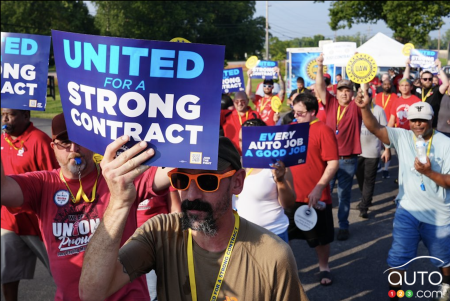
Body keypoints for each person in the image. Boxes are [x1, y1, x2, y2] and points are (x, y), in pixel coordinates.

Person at [79, 136, 307, 301]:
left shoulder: (272, 255)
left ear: (237, 182)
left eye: (208, 181)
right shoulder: (161, 233)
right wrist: (118, 203)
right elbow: (91, 292)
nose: (192, 195)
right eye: (181, 180)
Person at [1, 113, 171, 301]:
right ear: (53, 148)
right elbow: (3, 190)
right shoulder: (42, 184)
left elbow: (168, 173)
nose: (74, 148)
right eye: (64, 142)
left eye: (80, 139)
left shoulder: (118, 177)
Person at [355, 89, 450, 301]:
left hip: (438, 215)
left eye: (422, 120)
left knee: (444, 259)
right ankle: (395, 296)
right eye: (413, 120)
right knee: (398, 259)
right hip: (407, 211)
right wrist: (364, 108)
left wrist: (429, 173)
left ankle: (446, 286)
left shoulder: (445, 144)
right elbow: (374, 127)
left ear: (431, 119)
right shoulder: (403, 136)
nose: (417, 124)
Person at [1, 109, 58, 301]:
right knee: (7, 273)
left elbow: (55, 180)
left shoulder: (39, 140)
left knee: (62, 273)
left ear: (26, 116)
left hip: (38, 223)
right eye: (2, 114)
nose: (5, 118)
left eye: (10, 114)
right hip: (9, 222)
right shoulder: (2, 139)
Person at [285, 93, 339, 286]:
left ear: (313, 112)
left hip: (315, 196)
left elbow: (333, 163)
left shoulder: (323, 130)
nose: (296, 116)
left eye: (300, 113)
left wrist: (318, 188)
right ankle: (286, 270)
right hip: (290, 195)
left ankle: (324, 267)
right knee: (285, 236)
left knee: (321, 238)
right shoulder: (289, 129)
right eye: (294, 112)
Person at [316, 53, 362, 241]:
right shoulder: (331, 102)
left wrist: (362, 72)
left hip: (348, 159)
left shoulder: (356, 106)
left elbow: (364, 94)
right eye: (341, 89)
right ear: (337, 91)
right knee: (323, 194)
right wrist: (320, 65)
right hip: (328, 158)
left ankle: (343, 226)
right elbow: (320, 87)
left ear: (352, 92)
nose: (344, 93)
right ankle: (323, 226)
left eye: (348, 90)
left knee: (343, 196)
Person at [234, 118, 296, 242]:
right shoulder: (235, 164)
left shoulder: (277, 166)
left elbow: (288, 204)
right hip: (243, 236)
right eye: (241, 140)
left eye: (247, 140)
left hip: (273, 235)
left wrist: (280, 180)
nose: (243, 144)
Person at [137, 187, 181, 301]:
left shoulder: (161, 176)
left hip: (160, 242)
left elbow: (176, 211)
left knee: (155, 293)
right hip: (134, 246)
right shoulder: (125, 176)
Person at [355, 98, 389, 218]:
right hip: (358, 151)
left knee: (369, 179)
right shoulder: (355, 108)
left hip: (373, 151)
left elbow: (385, 131)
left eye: (367, 95)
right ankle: (366, 199)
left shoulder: (379, 110)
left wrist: (387, 149)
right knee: (360, 178)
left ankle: (364, 207)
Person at [405, 59, 449, 128]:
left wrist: (439, 68)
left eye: (430, 79)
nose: (427, 81)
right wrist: (407, 66)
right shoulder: (417, 89)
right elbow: (405, 81)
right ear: (421, 80)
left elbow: (446, 84)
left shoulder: (436, 90)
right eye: (425, 79)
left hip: (431, 124)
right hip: (417, 123)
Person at [375, 79, 398, 179]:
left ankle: (386, 169)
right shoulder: (378, 96)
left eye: (389, 84)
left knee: (387, 148)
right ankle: (378, 165)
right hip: (378, 125)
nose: (387, 86)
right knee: (376, 147)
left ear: (391, 85)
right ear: (382, 85)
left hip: (389, 126)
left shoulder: (395, 97)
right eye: (385, 84)